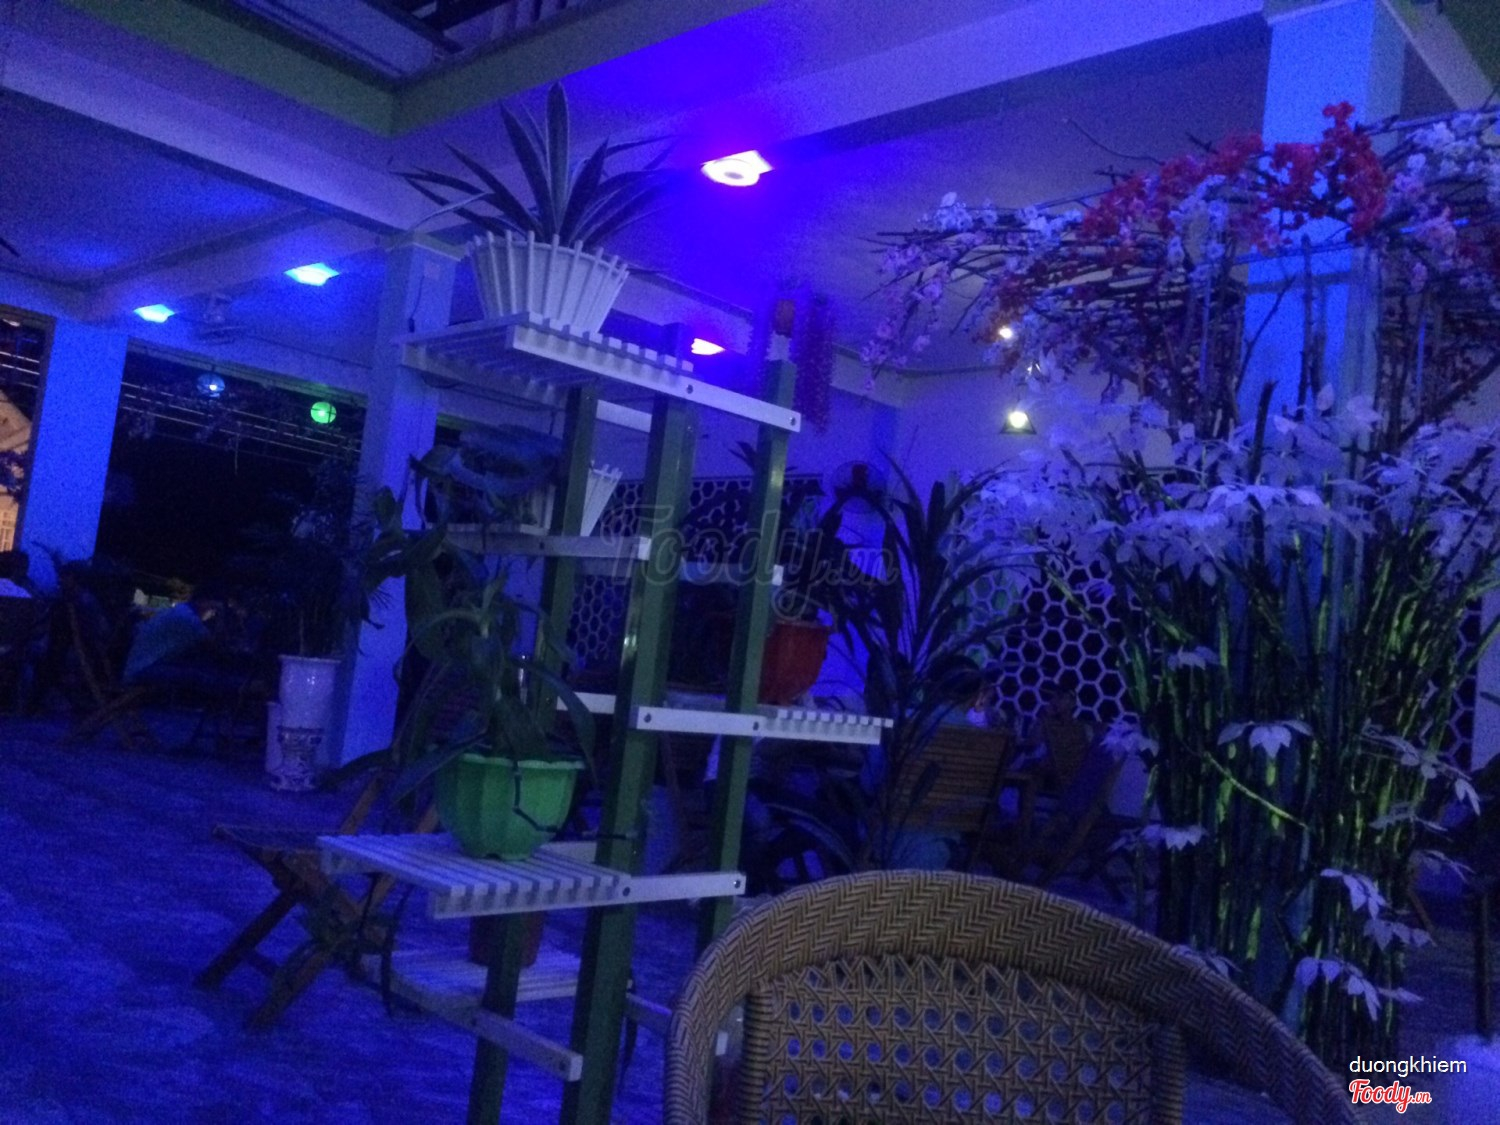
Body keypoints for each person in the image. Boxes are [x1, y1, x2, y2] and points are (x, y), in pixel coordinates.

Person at [1021, 679, 1096, 792]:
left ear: (1072, 703)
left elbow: (1080, 756)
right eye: (1053, 697)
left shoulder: (1082, 728)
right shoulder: (1044, 722)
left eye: (1060, 697)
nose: (1055, 701)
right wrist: (1044, 718)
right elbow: (1032, 744)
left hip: (1069, 778)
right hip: (1041, 774)